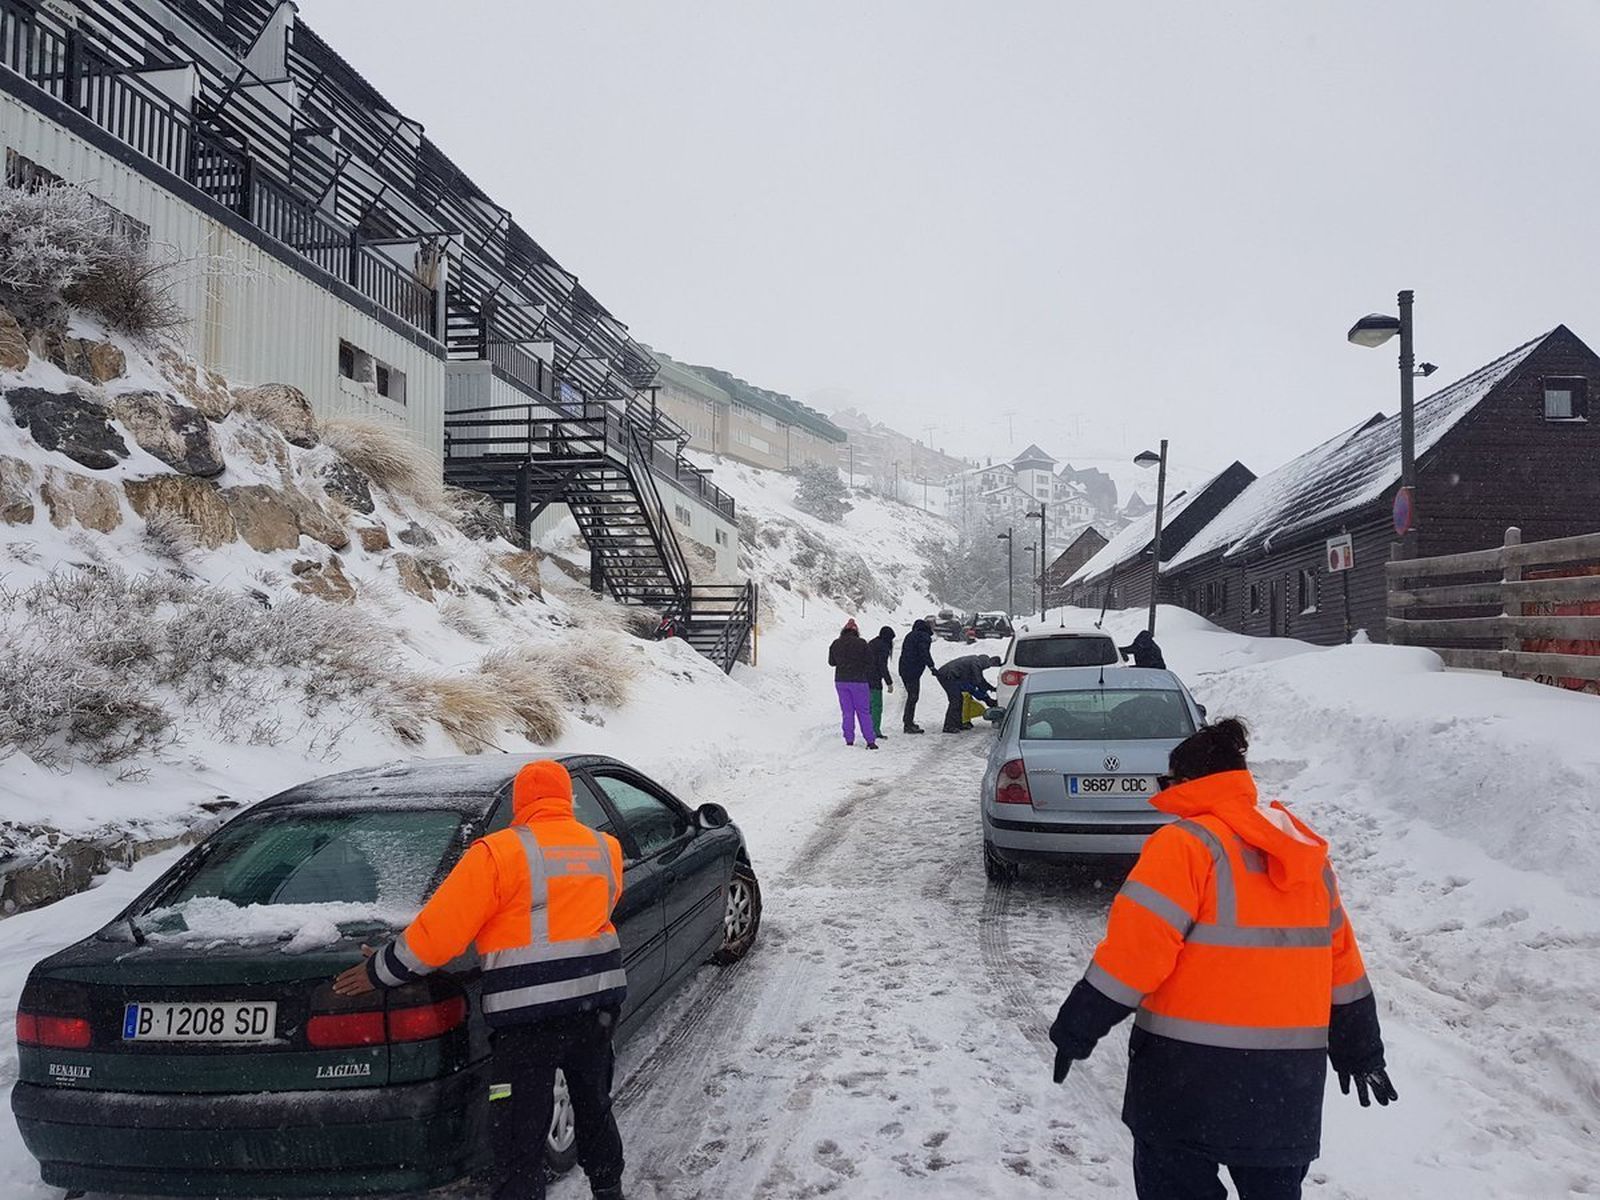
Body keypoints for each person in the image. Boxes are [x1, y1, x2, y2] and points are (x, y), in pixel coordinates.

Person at [1047, 719, 1394, 1200]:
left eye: (1167, 781)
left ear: (1187, 784)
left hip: (1184, 1079)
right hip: (1284, 1088)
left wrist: (1077, 1027)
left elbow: (1134, 957)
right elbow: (1343, 965)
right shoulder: (1303, 854)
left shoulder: (1184, 845)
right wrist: (1360, 1049)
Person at [333, 760, 628, 1200]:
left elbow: (439, 935)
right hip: (595, 1008)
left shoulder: (499, 853)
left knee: (519, 1133)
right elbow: (591, 910)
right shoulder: (605, 848)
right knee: (593, 1106)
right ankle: (610, 1190)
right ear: (568, 799)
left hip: (528, 1020)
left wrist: (381, 970)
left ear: (520, 802)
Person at [827, 619, 878, 749]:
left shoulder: (836, 643)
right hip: (859, 681)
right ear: (856, 631)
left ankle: (849, 739)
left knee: (847, 712)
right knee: (864, 711)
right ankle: (870, 741)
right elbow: (870, 661)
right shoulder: (861, 643)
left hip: (841, 681)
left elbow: (832, 662)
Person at [934, 653, 1000, 733]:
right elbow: (978, 683)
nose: (988, 667)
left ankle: (958, 724)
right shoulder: (975, 665)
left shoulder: (975, 662)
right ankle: (949, 726)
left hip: (950, 675)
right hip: (947, 676)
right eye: (988, 666)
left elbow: (980, 681)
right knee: (955, 700)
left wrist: (991, 688)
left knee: (959, 699)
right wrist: (987, 699)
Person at [897, 618, 938, 733]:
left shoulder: (910, 635)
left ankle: (908, 721)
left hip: (903, 669)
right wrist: (931, 666)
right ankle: (908, 724)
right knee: (913, 696)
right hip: (913, 670)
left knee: (911, 695)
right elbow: (924, 652)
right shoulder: (924, 637)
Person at [867, 626, 897, 742]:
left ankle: (868, 729)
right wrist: (889, 682)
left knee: (869, 706)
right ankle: (875, 731)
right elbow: (882, 666)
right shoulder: (883, 647)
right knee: (877, 706)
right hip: (875, 680)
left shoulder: (872, 643)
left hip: (864, 678)